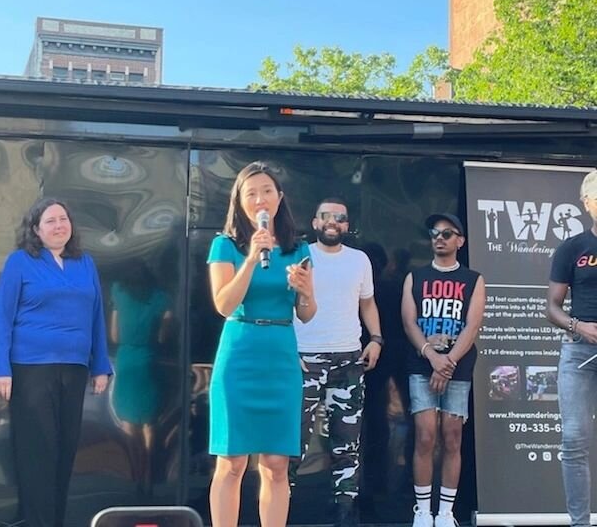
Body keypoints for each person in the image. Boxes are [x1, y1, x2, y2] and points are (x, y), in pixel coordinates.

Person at [207, 161, 316, 527]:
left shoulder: (298, 247)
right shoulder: (225, 245)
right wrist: (252, 259)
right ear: (239, 201)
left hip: (280, 356)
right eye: (250, 193)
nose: (260, 199)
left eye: (267, 191)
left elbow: (307, 313)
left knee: (275, 463)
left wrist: (304, 292)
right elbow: (223, 304)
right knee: (232, 461)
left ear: (279, 198)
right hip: (240, 354)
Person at [0, 197, 112, 527]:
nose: (59, 225)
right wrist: (0, 368)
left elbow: (96, 315)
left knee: (64, 453)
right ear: (36, 229)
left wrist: (100, 364)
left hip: (74, 369)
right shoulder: (21, 262)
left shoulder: (85, 262)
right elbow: (2, 318)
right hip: (31, 369)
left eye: (64, 218)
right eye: (50, 221)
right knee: (39, 454)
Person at [292, 198, 383, 527]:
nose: (333, 222)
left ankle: (346, 516)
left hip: (348, 360)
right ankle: (277, 513)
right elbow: (280, 304)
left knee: (347, 446)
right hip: (304, 359)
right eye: (327, 217)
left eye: (340, 218)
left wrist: (376, 339)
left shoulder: (359, 260)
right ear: (315, 222)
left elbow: (368, 304)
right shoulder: (298, 254)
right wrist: (288, 350)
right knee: (292, 443)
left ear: (347, 226)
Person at [401, 213, 485, 527]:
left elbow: (472, 326)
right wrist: (431, 356)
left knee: (452, 437)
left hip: (458, 367)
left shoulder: (473, 279)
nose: (440, 238)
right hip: (421, 366)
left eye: (447, 234)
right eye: (435, 233)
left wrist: (446, 363)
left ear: (460, 241)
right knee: (425, 436)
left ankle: (445, 512)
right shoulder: (415, 276)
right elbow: (409, 323)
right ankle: (423, 511)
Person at [547, 169, 597, 527]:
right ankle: (580, 523)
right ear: (587, 204)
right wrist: (580, 326)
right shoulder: (572, 247)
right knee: (574, 438)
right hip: (580, 350)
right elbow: (551, 306)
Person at [110, 258, 173, 499]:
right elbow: (163, 337)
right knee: (149, 425)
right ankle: (148, 477)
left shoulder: (118, 291)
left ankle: (132, 476)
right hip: (148, 359)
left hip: (126, 360)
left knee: (128, 425)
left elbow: (114, 335)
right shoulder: (160, 297)